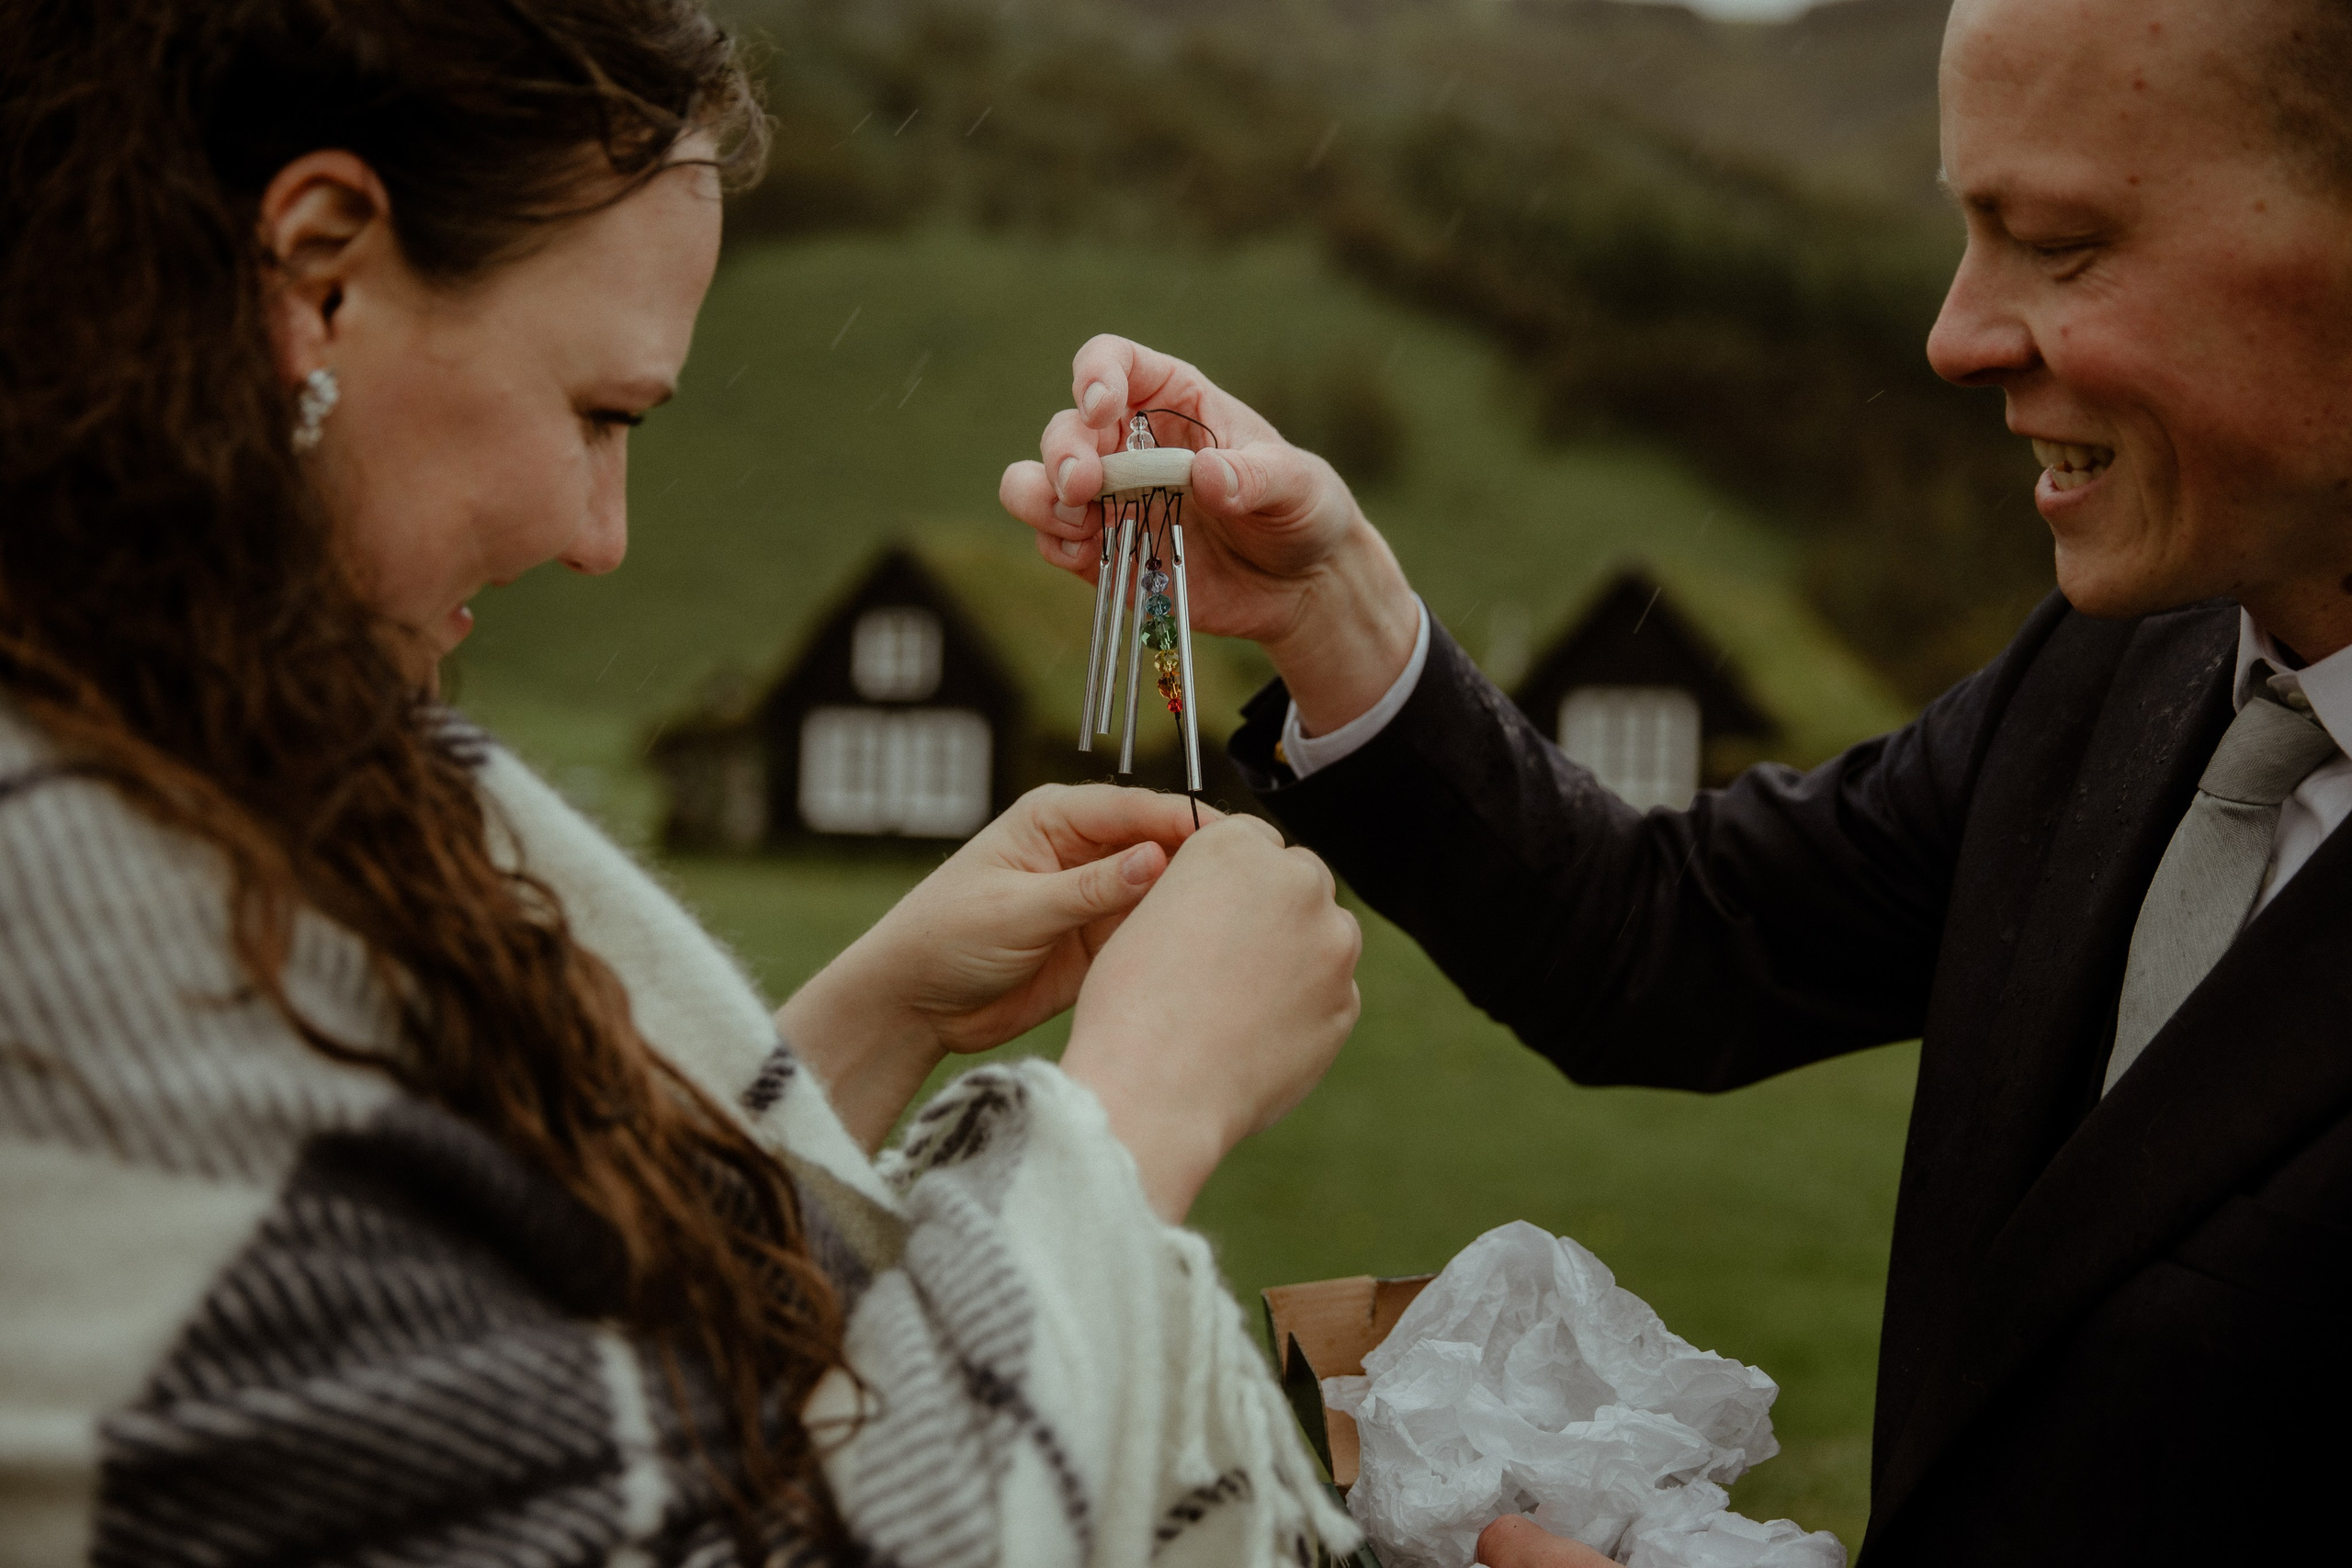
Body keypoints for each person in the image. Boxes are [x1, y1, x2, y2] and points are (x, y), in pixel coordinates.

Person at [0, 4, 1370, 1566]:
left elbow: (530, 1353)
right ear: (320, 273)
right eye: (602, 415)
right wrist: (1130, 1119)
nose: (605, 535)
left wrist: (878, 1015)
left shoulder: (205, 737)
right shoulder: (64, 902)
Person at [1005, 0, 2352, 1561]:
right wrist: (1328, 604)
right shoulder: (2128, 663)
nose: (1957, 336)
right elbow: (1672, 942)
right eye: (1969, 231)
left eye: (2059, 242)